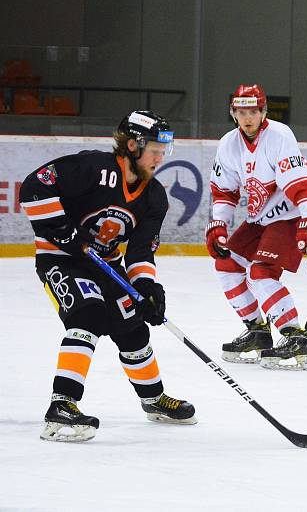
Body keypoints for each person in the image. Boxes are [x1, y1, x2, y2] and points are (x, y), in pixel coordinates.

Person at [20, 110, 196, 442]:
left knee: (132, 325)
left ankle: (154, 400)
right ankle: (62, 406)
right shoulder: (93, 168)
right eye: (155, 149)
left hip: (107, 264)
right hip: (61, 259)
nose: (160, 158)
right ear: (132, 145)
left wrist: (147, 287)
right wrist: (63, 233)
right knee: (88, 313)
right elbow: (34, 187)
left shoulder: (154, 196)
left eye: (164, 151)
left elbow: (141, 251)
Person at [206, 84, 307, 370]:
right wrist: (218, 224)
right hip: (261, 218)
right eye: (241, 112)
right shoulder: (228, 144)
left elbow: (301, 184)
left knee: (260, 273)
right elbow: (224, 192)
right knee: (227, 263)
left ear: (263, 111)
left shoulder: (280, 136)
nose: (247, 118)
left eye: (253, 111)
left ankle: (295, 335)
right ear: (233, 113)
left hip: (290, 215)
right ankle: (257, 331)